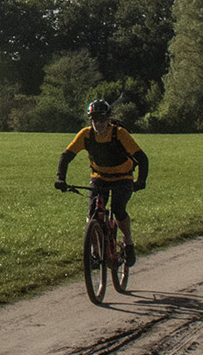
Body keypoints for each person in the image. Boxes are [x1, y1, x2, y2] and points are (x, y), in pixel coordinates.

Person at [56, 98, 149, 264]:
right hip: (99, 177)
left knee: (118, 209)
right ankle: (94, 251)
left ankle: (128, 243)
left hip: (123, 177)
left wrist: (141, 180)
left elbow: (142, 158)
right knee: (93, 213)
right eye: (93, 120)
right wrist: (60, 178)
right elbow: (66, 156)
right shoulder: (86, 135)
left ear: (108, 119)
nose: (97, 124)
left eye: (101, 119)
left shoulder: (119, 134)